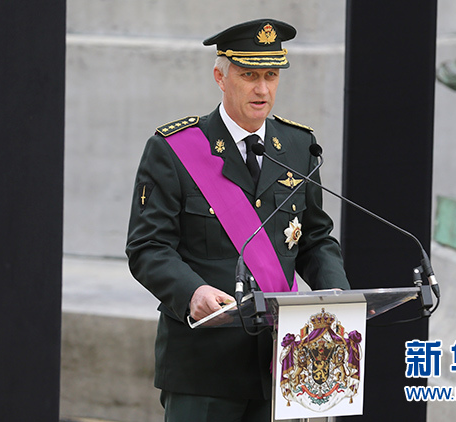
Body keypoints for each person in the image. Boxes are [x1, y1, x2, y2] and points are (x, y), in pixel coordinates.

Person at [125, 18, 350, 421]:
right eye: (249, 76)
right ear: (220, 77)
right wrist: (192, 293)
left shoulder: (298, 146)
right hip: (204, 367)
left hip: (284, 361)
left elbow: (315, 239)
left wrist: (337, 297)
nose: (262, 89)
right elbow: (148, 248)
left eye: (271, 76)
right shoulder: (173, 150)